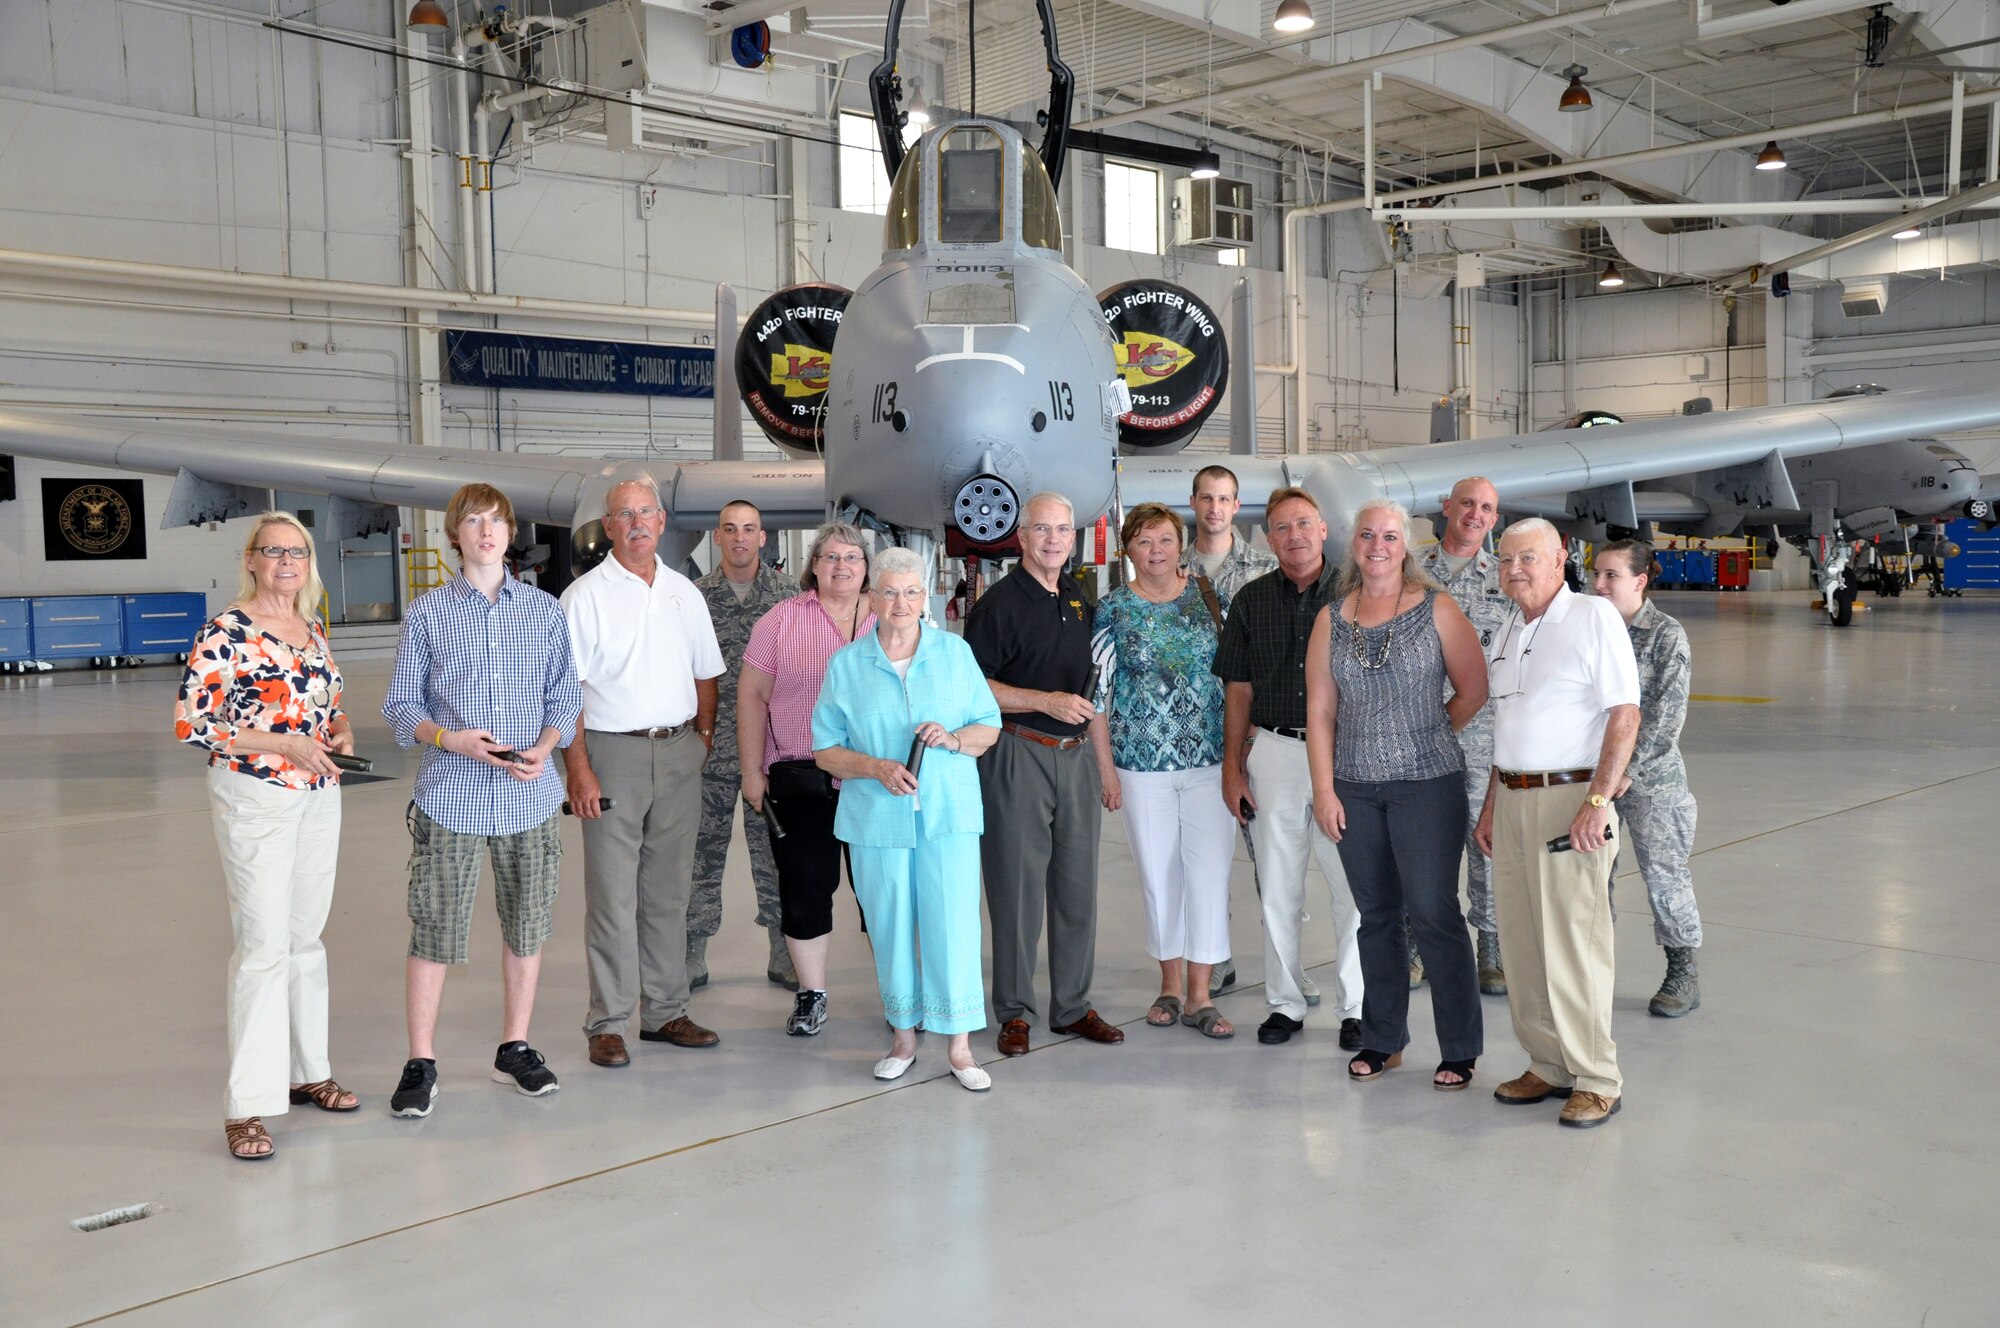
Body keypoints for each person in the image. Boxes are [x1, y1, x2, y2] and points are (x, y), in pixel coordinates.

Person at [380, 483, 582, 1118]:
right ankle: (421, 1061)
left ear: (510, 533)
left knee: (528, 924)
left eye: (496, 521)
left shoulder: (544, 612)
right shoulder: (427, 613)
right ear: (455, 535)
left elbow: (566, 697)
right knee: (435, 927)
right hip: (452, 799)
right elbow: (401, 706)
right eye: (474, 521)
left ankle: (514, 1048)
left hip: (529, 799)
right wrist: (452, 739)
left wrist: (545, 749)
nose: (487, 531)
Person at [177, 513, 357, 1160]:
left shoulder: (311, 628)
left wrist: (341, 732)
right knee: (262, 948)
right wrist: (283, 744)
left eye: (297, 552)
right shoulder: (226, 632)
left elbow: (326, 707)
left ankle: (309, 1071)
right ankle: (246, 1105)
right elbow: (194, 723)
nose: (286, 562)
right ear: (251, 560)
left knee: (305, 938)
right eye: (273, 551)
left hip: (318, 795)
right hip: (255, 794)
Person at [1306, 499, 1489, 1087]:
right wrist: (1324, 789)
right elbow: (1320, 709)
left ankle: (1459, 1047)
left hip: (1427, 786)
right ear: (1352, 545)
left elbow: (1474, 689)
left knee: (1434, 913)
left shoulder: (1437, 608)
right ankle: (1384, 1040)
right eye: (1367, 535)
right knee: (1377, 916)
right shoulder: (1332, 618)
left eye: (1389, 535)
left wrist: (1426, 734)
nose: (1378, 546)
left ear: (1405, 544)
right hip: (1354, 789)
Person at [812, 547, 1002, 1090]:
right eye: (890, 592)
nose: (902, 602)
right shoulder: (847, 665)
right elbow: (825, 750)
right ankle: (903, 1040)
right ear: (872, 598)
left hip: (948, 814)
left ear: (925, 598)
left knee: (954, 925)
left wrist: (954, 738)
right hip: (877, 819)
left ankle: (960, 1048)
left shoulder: (955, 653)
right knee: (891, 925)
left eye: (912, 592)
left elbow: (989, 725)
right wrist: (874, 768)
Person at [1474, 518, 1640, 1128]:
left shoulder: (1592, 617)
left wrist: (1596, 803)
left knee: (1574, 944)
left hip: (1570, 799)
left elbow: (1624, 713)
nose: (1515, 568)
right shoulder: (1508, 628)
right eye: (1506, 559)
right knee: (1522, 943)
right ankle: (1548, 1063)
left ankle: (1597, 1077)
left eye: (1528, 557)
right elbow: (1509, 728)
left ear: (1559, 558)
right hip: (1514, 797)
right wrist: (1492, 805)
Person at [560, 477, 725, 1068]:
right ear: (608, 527)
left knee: (669, 893)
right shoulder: (583, 598)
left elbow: (706, 673)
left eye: (646, 512)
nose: (636, 523)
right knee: (611, 897)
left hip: (679, 752)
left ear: (661, 521)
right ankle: (607, 1022)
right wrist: (579, 769)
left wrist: (702, 740)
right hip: (612, 756)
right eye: (624, 514)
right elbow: (566, 692)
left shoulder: (685, 593)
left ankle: (665, 1011)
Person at [965, 492, 1125, 1057]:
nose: (1053, 540)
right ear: (1022, 537)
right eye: (1042, 529)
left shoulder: (1080, 598)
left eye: (1062, 529)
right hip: (1018, 754)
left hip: (1076, 757)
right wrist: (1043, 701)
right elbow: (974, 688)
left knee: (1077, 888)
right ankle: (1014, 1011)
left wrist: (1104, 767)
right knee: (1016, 891)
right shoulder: (997, 606)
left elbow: (1093, 689)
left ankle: (1073, 1006)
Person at [1212, 488, 1366, 1051]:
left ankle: (1357, 1009)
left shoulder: (1356, 594)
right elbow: (1238, 689)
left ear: (1323, 530)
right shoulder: (1251, 600)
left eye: (1303, 524)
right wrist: (1233, 769)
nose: (1294, 535)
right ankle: (1284, 1004)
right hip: (1275, 751)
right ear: (1269, 539)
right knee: (1277, 885)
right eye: (1281, 527)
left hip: (1345, 756)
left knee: (1353, 888)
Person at [1089, 504, 1236, 1038]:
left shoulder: (1210, 598)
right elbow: (1096, 695)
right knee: (1158, 875)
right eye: (1144, 541)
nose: (1156, 550)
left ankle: (1201, 996)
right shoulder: (1113, 609)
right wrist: (1106, 770)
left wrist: (1239, 759)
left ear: (1181, 545)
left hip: (1210, 762)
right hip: (1139, 764)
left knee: (1210, 875)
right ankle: (1170, 987)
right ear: (1128, 549)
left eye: (1166, 540)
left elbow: (1236, 681)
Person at [739, 523, 877, 1037]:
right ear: (813, 565)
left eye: (852, 557)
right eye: (830, 557)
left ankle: (899, 993)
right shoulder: (781, 620)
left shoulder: (888, 616)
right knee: (804, 889)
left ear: (866, 568)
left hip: (874, 781)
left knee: (881, 890)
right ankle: (811, 995)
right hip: (802, 781)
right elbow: (752, 695)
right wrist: (752, 771)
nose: (842, 566)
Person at [1592, 539, 1704, 1018]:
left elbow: (1664, 717)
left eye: (1611, 575)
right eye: (1596, 574)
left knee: (1664, 876)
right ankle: (1591, 970)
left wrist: (1626, 771)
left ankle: (1683, 973)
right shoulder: (1592, 628)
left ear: (1639, 581)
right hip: (1594, 776)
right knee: (1592, 878)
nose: (1599, 584)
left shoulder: (1665, 634)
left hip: (1651, 780)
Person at [691, 500, 796, 992]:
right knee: (700, 854)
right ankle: (692, 953)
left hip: (768, 752)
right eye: (730, 529)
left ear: (762, 537)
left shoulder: (789, 597)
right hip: (707, 750)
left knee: (777, 852)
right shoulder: (693, 598)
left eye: (749, 529)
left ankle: (783, 951)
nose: (739, 538)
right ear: (717, 537)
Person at [1417, 476, 1513, 996]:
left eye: (1486, 508)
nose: (1476, 514)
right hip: (1416, 733)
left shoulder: (1506, 577)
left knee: (1485, 840)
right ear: (1447, 507)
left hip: (1483, 737)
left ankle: (1490, 946)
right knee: (1419, 842)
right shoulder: (1409, 569)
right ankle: (1417, 943)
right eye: (1468, 503)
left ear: (1494, 519)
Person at [1184, 464, 1276, 998]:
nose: (1215, 508)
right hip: (1197, 734)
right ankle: (1214, 958)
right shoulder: (1172, 566)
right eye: (1206, 498)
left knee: (1272, 857)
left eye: (1224, 499)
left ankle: (1284, 962)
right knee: (1205, 858)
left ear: (1237, 506)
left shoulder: (1266, 566)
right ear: (1193, 503)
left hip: (1257, 731)